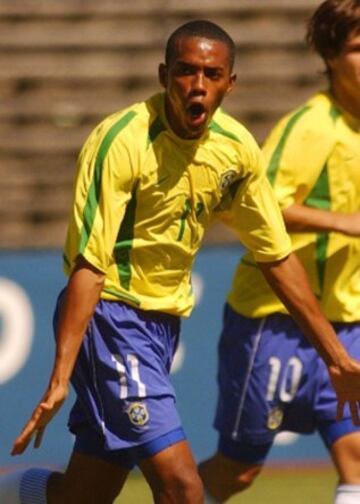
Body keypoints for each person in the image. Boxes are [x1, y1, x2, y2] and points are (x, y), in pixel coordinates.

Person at [1, 17, 360, 504]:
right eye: (185, 72)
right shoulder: (121, 142)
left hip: (162, 326)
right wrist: (60, 375)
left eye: (212, 75)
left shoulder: (235, 151)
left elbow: (275, 255)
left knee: (84, 495)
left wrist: (336, 358)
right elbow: (90, 264)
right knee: (183, 487)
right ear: (162, 75)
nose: (197, 86)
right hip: (111, 316)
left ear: (230, 83)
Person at [199, 2, 360, 504]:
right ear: (331, 56)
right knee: (239, 470)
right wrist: (345, 224)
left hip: (346, 318)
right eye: (358, 47)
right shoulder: (313, 125)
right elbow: (255, 203)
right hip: (276, 319)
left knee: (357, 454)